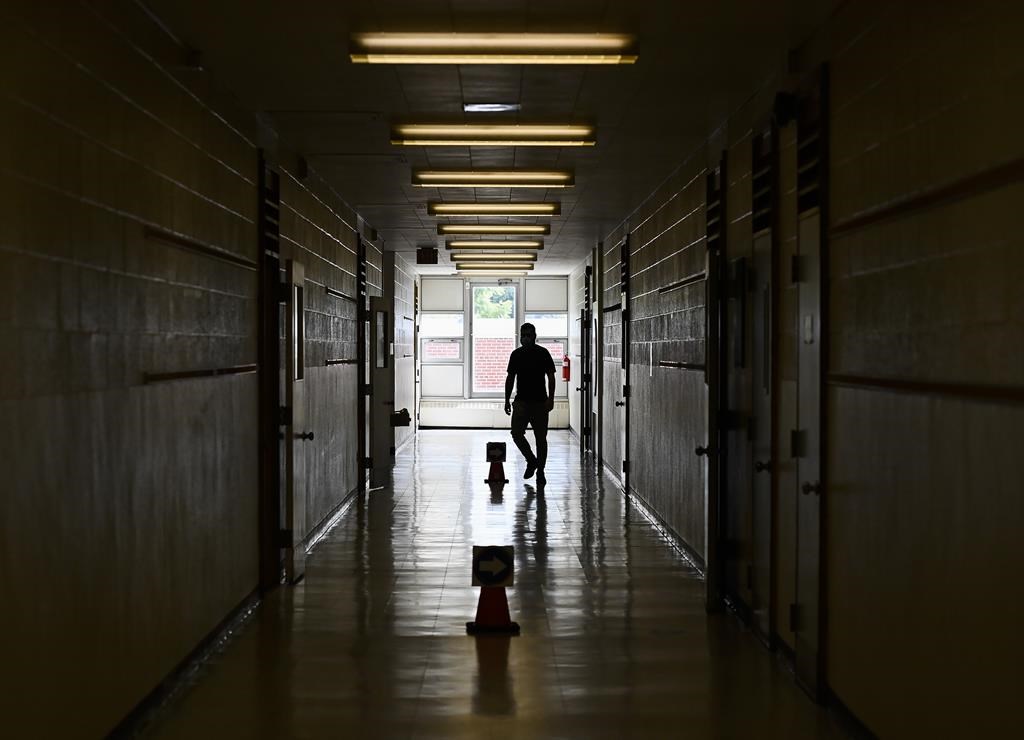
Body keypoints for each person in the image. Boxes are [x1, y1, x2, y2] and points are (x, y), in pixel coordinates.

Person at [504, 322, 555, 486]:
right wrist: (506, 399)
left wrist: (551, 398)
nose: (526, 338)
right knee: (516, 433)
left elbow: (551, 377)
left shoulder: (543, 353)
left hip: (540, 402)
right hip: (521, 402)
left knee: (541, 439)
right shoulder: (516, 355)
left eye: (529, 335)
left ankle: (540, 471)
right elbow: (510, 378)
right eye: (523, 335)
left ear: (534, 336)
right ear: (520, 337)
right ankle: (532, 460)